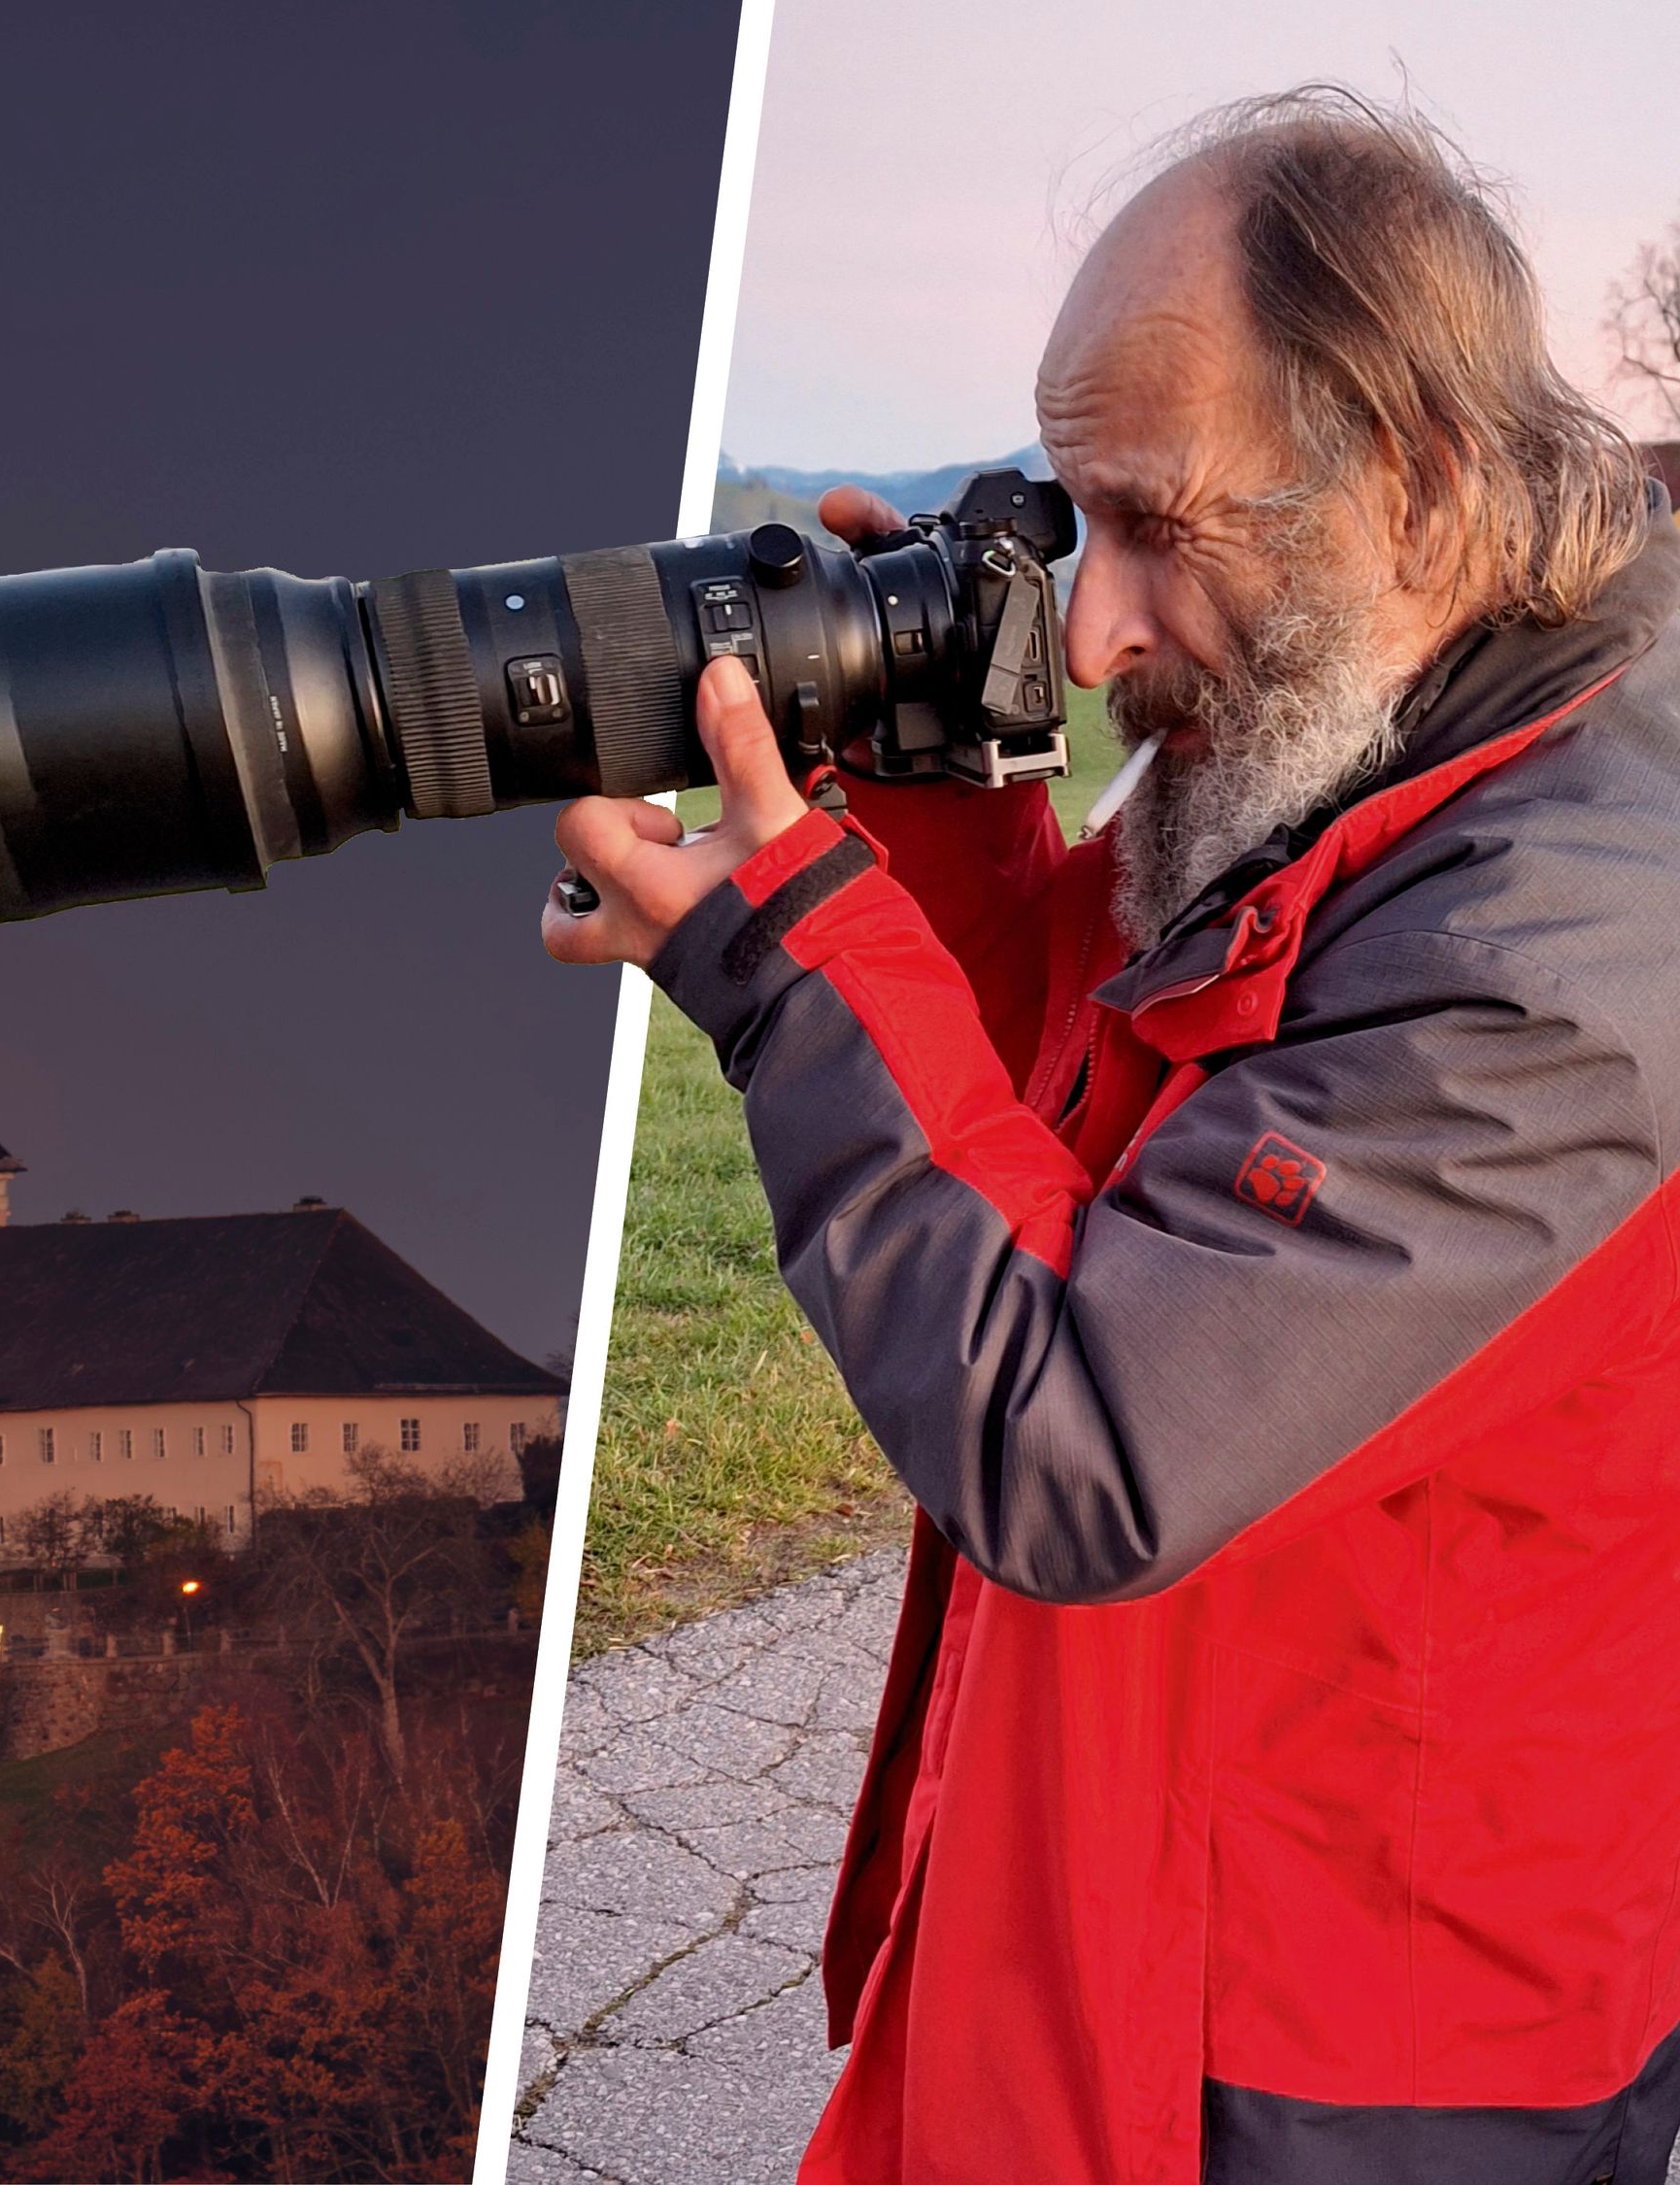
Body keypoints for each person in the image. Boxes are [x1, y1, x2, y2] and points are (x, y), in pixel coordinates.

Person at [544, 89, 1680, 2185]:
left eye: (1156, 523)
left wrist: (787, 969)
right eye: (1072, 518)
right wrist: (945, 820)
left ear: (1411, 488)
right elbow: (1096, 1137)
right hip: (1160, 1905)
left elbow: (1083, 1432)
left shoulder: (1570, 946)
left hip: (1348, 2069)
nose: (1084, 634)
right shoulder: (1378, 723)